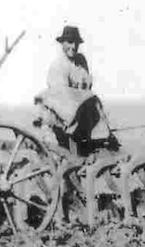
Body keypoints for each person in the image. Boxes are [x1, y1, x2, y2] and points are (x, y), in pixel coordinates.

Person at [34, 25, 118, 155]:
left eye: (76, 43)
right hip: (56, 119)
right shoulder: (58, 67)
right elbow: (63, 102)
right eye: (69, 42)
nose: (73, 46)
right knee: (59, 156)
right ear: (62, 43)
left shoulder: (81, 61)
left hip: (75, 115)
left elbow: (86, 92)